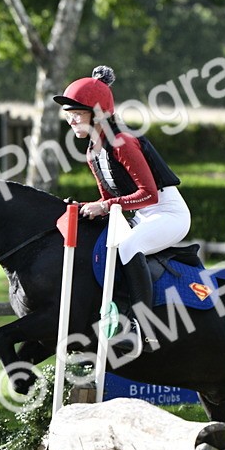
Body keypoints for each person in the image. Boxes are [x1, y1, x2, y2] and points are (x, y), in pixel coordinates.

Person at [54, 66, 190, 349]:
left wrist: (103, 206)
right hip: (143, 215)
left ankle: (144, 327)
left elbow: (149, 195)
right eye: (69, 115)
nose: (70, 120)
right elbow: (108, 200)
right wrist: (83, 208)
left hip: (168, 213)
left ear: (98, 112)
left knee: (128, 248)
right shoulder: (93, 151)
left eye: (76, 114)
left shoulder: (123, 143)